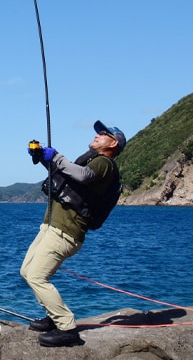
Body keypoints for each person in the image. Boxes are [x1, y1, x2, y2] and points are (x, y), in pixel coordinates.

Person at [20, 120, 125, 347]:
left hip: (65, 231)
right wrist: (43, 159)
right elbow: (69, 178)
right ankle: (54, 316)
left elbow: (84, 176)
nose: (97, 136)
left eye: (103, 134)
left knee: (38, 276)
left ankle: (67, 328)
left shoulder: (104, 163)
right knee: (27, 271)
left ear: (113, 143)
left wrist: (55, 157)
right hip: (51, 226)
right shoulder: (93, 161)